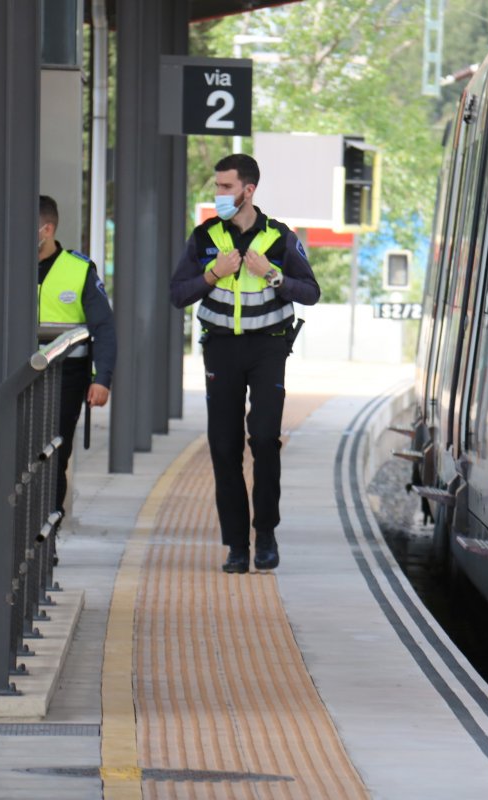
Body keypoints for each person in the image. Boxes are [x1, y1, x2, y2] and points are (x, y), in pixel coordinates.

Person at [169, 154, 321, 574]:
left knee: (266, 440)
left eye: (225, 187)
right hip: (221, 350)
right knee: (223, 447)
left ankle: (265, 534)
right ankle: (236, 546)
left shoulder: (279, 238)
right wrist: (212, 276)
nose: (218, 194)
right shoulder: (204, 238)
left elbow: (310, 292)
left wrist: (274, 275)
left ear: (248, 190)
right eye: (216, 186)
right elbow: (178, 294)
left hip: (268, 349)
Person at [38, 195, 117, 529]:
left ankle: (47, 537)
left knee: (54, 455)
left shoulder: (79, 269)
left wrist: (102, 379)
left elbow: (104, 327)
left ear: (47, 228)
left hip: (65, 376)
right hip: (12, 373)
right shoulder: (5, 261)